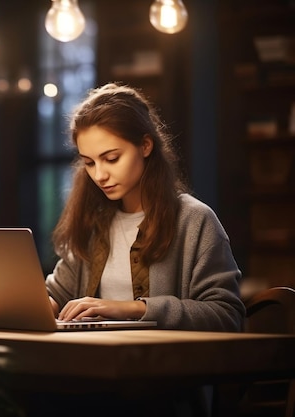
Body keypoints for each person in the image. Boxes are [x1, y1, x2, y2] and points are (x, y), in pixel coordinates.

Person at [45, 82, 245, 332]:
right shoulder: (95, 222)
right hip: (95, 361)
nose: (99, 175)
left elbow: (227, 315)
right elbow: (55, 293)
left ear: (146, 146)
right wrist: (34, 304)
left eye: (111, 159)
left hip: (164, 365)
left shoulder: (194, 220)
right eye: (89, 162)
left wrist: (133, 308)